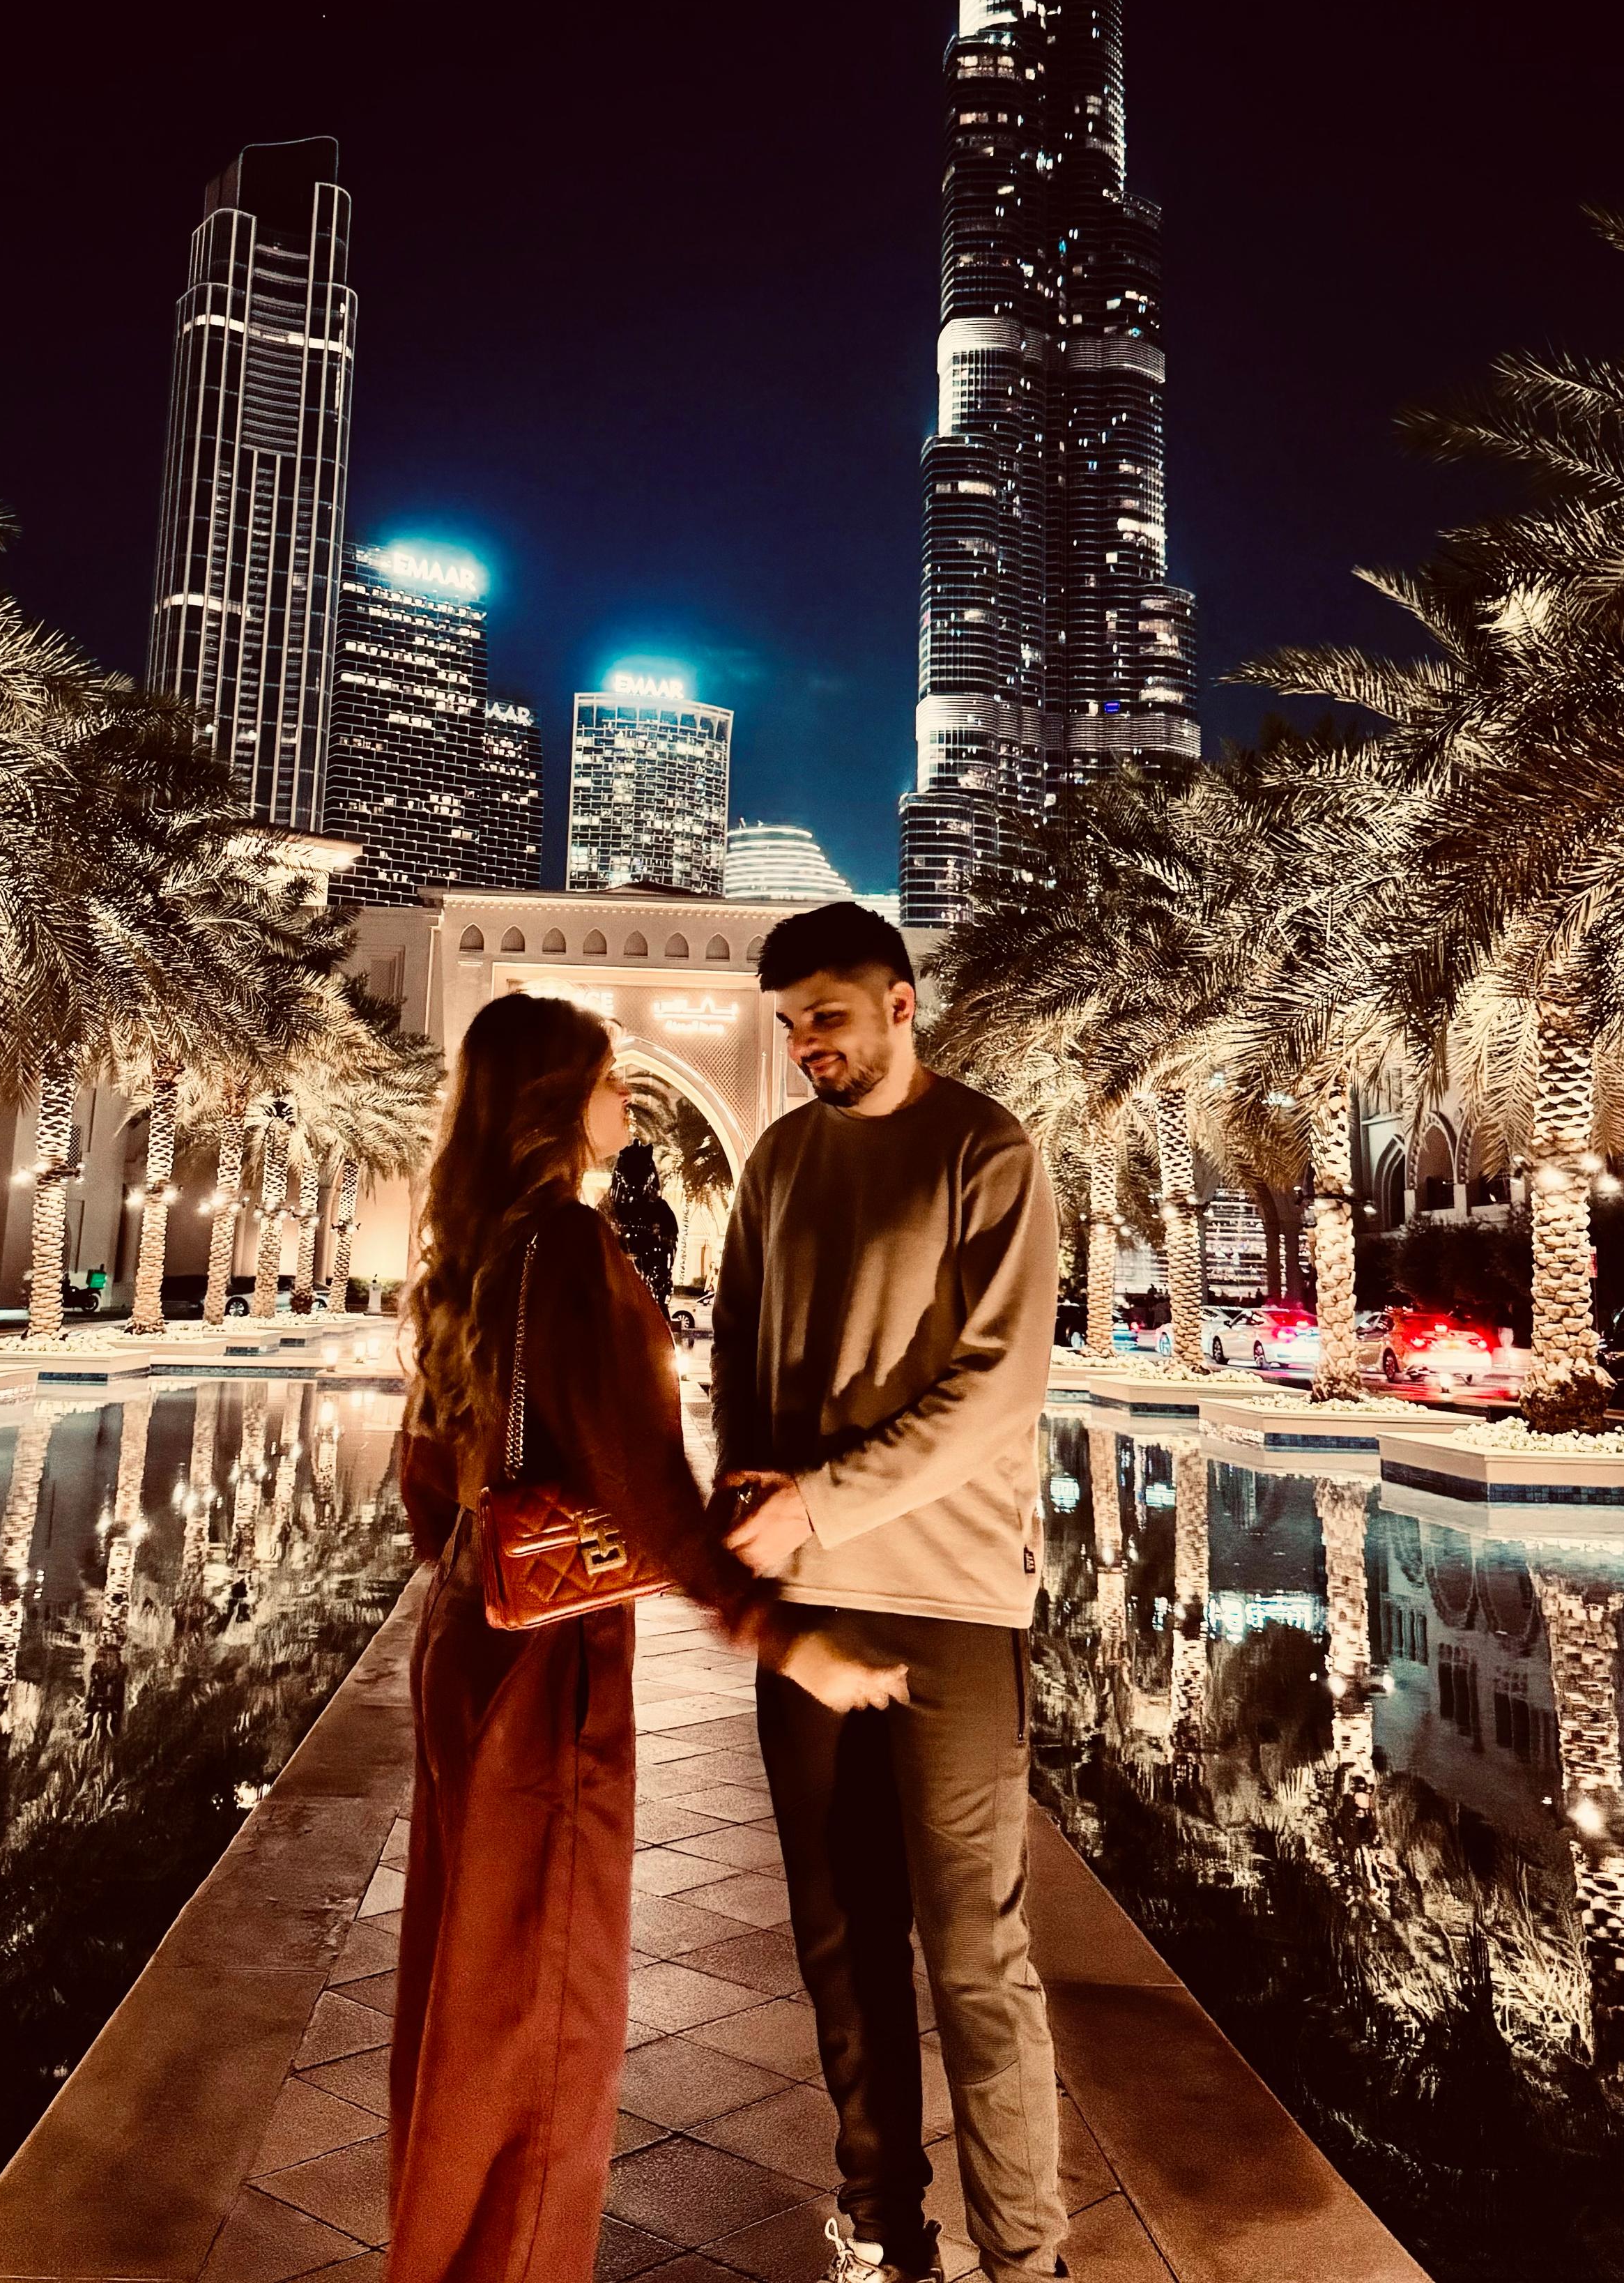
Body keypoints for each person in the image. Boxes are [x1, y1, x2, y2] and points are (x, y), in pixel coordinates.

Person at [390, 989, 904, 2283]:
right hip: (548, 1680)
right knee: (543, 2016)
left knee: (464, 1997)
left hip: (467, 1642)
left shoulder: (470, 1246)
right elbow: (636, 1480)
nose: (628, 1097)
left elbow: (422, 1484)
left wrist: (495, 1554)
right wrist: (786, 1638)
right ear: (563, 1103)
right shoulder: (564, 1246)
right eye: (611, 1077)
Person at [713, 902, 1066, 2283]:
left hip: (952, 1607)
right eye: (789, 1022)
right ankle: (883, 2224)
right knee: (839, 1937)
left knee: (974, 1948)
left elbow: (1001, 1389)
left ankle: (1025, 2256)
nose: (806, 1044)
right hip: (805, 1608)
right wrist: (751, 1514)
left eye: (830, 1017)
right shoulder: (778, 1160)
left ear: (903, 1003)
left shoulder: (986, 1149)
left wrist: (821, 1501)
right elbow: (740, 1357)